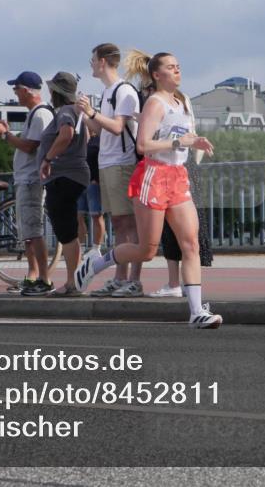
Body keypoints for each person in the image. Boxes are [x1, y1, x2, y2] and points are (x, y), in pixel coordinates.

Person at [74, 52, 223, 328]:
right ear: (157, 74)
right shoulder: (155, 103)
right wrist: (178, 143)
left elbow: (184, 137)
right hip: (153, 176)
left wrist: (196, 141)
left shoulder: (185, 101)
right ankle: (96, 264)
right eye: (170, 67)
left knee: (190, 243)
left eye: (179, 66)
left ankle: (196, 312)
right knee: (146, 250)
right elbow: (143, 146)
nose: (177, 71)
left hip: (178, 177)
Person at [77, 44, 144, 298]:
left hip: (121, 161)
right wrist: (85, 115)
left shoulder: (124, 91)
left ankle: (133, 280)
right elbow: (100, 127)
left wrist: (92, 112)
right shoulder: (108, 92)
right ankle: (120, 277)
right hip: (108, 162)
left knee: (129, 222)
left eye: (93, 59)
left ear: (103, 61)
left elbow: (117, 127)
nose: (91, 64)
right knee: (119, 222)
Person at [0, 71, 55, 296]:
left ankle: (44, 278)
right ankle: (33, 274)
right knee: (27, 231)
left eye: (16, 89)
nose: (15, 93)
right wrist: (9, 132)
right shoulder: (35, 114)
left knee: (33, 230)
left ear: (26, 90)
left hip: (31, 180)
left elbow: (30, 146)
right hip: (26, 179)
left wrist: (4, 135)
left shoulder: (40, 115)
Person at [37, 72, 90, 295]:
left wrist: (48, 159)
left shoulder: (66, 112)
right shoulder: (77, 112)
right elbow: (85, 138)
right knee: (69, 229)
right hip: (74, 175)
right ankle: (73, 280)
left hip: (63, 176)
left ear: (57, 92)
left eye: (51, 90)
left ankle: (72, 282)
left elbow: (66, 135)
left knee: (65, 231)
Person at [76, 131, 106, 251]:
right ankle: (81, 247)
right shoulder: (79, 140)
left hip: (94, 183)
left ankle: (96, 248)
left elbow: (104, 159)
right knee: (78, 216)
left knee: (96, 215)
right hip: (80, 182)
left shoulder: (100, 140)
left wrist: (97, 179)